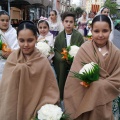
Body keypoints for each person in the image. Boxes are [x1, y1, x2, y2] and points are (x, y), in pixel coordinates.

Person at [64, 15, 120, 120]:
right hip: (87, 98)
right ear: (91, 30)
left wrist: (101, 85)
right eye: (96, 31)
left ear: (110, 31)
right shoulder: (84, 49)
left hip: (108, 99)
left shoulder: (116, 53)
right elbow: (74, 79)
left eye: (105, 31)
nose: (100, 35)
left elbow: (117, 78)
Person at [0, 21, 59, 120]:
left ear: (36, 39)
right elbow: (6, 88)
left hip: (36, 107)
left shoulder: (42, 61)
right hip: (15, 103)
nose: (26, 45)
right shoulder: (12, 58)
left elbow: (50, 88)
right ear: (17, 40)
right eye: (21, 41)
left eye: (30, 40)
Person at [53, 12, 84, 100]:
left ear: (74, 23)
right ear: (63, 22)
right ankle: (62, 95)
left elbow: (82, 49)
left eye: (71, 22)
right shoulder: (59, 37)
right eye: (66, 21)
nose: (69, 24)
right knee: (62, 77)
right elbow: (56, 50)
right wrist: (64, 58)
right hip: (62, 64)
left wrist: (73, 58)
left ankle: (74, 96)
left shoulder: (79, 36)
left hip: (75, 63)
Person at [0, 10, 19, 80]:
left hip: (11, 63)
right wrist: (1, 53)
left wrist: (10, 52)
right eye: (2, 20)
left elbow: (18, 48)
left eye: (7, 20)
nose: (5, 22)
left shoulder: (14, 32)